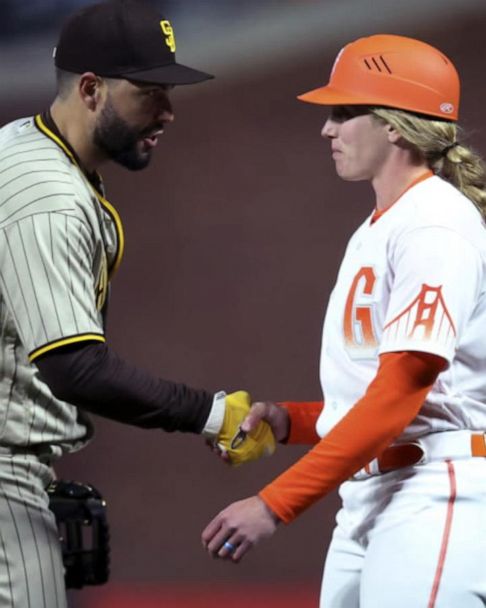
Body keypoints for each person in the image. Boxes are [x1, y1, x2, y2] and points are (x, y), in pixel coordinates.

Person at [0, 1, 275, 606]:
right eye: (150, 93)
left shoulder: (25, 147)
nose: (169, 111)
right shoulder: (47, 194)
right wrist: (210, 413)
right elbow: (76, 368)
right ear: (92, 89)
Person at [202, 34, 486, 607]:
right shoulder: (382, 225)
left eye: (344, 112)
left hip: (436, 492)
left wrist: (274, 503)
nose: (327, 129)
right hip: (376, 495)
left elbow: (403, 391)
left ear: (395, 125)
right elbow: (387, 392)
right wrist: (294, 421)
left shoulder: (434, 222)